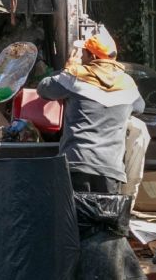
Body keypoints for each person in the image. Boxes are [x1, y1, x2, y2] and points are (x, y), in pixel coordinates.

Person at [37, 28, 145, 194]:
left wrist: (68, 68)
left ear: (93, 57)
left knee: (72, 219)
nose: (82, 56)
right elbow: (139, 108)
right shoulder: (127, 83)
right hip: (111, 170)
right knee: (103, 219)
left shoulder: (77, 75)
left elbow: (44, 89)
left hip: (76, 164)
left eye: (84, 53)